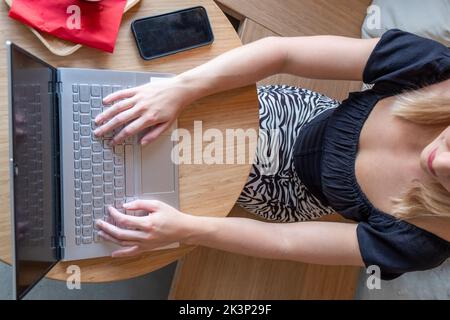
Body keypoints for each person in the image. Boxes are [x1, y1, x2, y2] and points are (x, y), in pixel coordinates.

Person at [93, 29, 450, 280]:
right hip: (286, 112)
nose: (440, 163)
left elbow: (284, 242)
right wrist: (180, 89)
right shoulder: (435, 68)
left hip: (283, 194)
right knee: (125, 112)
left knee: (128, 183)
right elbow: (284, 52)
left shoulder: (423, 243)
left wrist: (185, 229)